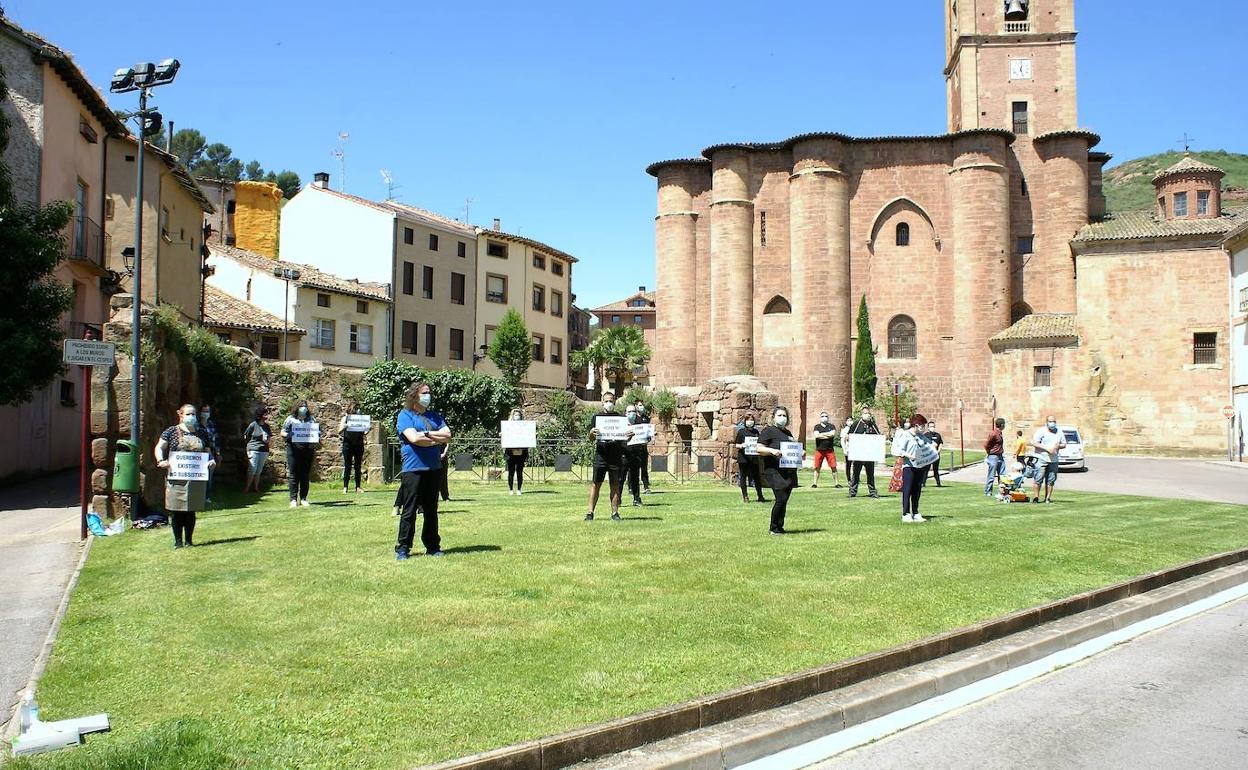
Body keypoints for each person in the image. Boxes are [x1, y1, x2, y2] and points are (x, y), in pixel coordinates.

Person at [395, 381, 452, 559]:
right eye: (424, 392)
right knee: (409, 510)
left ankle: (433, 546)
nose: (428, 396)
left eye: (429, 392)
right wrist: (435, 438)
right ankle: (403, 547)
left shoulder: (435, 416)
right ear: (414, 396)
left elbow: (448, 436)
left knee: (431, 510)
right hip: (413, 469)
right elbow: (413, 438)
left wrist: (426, 435)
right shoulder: (405, 415)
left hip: (434, 468)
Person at [154, 404, 216, 548]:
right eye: (188, 414)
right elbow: (159, 446)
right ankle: (178, 542)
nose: (191, 417)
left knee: (190, 510)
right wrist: (161, 460)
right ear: (180, 415)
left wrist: (211, 460)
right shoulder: (171, 432)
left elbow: (207, 451)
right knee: (177, 511)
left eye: (193, 414)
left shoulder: (202, 432)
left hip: (195, 477)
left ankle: (189, 540)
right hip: (176, 477)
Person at [755, 406, 803, 534]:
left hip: (788, 470)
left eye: (784, 416)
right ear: (773, 417)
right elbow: (759, 449)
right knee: (781, 498)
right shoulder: (768, 431)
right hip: (773, 470)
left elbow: (792, 448)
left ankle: (780, 526)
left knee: (784, 500)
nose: (782, 418)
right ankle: (774, 528)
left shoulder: (788, 433)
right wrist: (772, 451)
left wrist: (800, 453)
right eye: (779, 415)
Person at [891, 413, 939, 523]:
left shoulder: (921, 436)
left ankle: (916, 512)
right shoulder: (905, 435)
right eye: (922, 426)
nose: (924, 428)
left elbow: (928, 446)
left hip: (920, 466)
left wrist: (933, 447)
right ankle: (906, 513)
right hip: (909, 466)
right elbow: (898, 450)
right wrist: (909, 455)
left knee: (917, 490)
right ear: (916, 425)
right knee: (908, 490)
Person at [586, 391, 626, 521]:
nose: (609, 403)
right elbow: (591, 439)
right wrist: (591, 433)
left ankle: (615, 513)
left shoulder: (620, 418)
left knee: (614, 485)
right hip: (601, 456)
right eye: (606, 401)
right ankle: (590, 513)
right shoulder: (596, 417)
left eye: (611, 401)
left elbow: (624, 438)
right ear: (602, 402)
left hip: (615, 456)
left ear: (614, 402)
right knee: (595, 484)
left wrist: (628, 436)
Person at [281, 400, 318, 508]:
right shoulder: (290, 419)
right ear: (297, 408)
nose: (304, 408)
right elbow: (282, 432)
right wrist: (289, 434)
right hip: (293, 449)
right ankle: (293, 499)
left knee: (305, 474)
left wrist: (317, 434)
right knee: (293, 474)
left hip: (307, 449)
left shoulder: (311, 419)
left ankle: (303, 498)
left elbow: (315, 431)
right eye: (301, 406)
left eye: (305, 406)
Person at [845, 408, 881, 499]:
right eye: (865, 413)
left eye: (868, 413)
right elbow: (848, 436)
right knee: (856, 474)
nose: (867, 415)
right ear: (861, 415)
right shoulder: (856, 424)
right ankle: (852, 492)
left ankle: (873, 492)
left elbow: (878, 437)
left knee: (870, 474)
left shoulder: (872, 425)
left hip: (869, 454)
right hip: (858, 454)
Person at [1030, 415, 1067, 504]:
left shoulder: (1059, 432)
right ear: (1047, 422)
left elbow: (1064, 444)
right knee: (1038, 479)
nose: (1052, 423)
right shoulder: (1041, 431)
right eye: (1050, 421)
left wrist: (1059, 446)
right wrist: (1046, 448)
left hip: (1053, 460)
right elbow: (1034, 443)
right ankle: (1036, 497)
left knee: (1051, 480)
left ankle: (1047, 498)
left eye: (1054, 421)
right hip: (1041, 458)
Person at [734, 411, 767, 503]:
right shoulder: (741, 432)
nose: (750, 421)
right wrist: (742, 446)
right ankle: (745, 496)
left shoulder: (756, 432)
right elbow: (736, 444)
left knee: (757, 477)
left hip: (754, 458)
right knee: (743, 477)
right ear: (744, 421)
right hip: (743, 458)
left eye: (752, 420)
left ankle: (760, 496)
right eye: (748, 420)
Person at [339, 402, 367, 494]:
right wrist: (345, 426)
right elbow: (339, 431)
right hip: (348, 444)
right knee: (347, 465)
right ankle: (345, 487)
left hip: (358, 444)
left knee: (358, 466)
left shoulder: (361, 420)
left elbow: (365, 433)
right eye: (356, 409)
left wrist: (367, 429)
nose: (358, 411)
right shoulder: (345, 418)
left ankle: (358, 487)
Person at [242, 406, 271, 493]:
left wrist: (267, 440)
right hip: (253, 449)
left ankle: (256, 488)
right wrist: (249, 445)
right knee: (252, 469)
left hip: (264, 450)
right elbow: (246, 436)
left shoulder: (266, 426)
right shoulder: (253, 425)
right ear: (260, 415)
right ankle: (247, 488)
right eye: (265, 414)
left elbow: (269, 437)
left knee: (258, 470)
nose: (266, 416)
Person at [624, 403, 648, 507]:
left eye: (633, 411)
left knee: (635, 478)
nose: (632, 414)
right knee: (620, 479)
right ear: (625, 413)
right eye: (629, 412)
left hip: (635, 455)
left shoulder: (640, 424)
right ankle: (618, 499)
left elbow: (645, 437)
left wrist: (647, 439)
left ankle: (636, 499)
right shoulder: (621, 424)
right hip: (623, 454)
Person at [810, 411, 841, 489]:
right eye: (823, 416)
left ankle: (837, 483)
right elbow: (817, 436)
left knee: (833, 467)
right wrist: (827, 435)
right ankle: (814, 483)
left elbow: (833, 434)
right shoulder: (817, 426)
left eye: (826, 416)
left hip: (829, 450)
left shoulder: (832, 426)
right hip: (819, 450)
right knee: (817, 467)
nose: (825, 418)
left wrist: (822, 435)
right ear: (820, 418)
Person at [199, 404, 221, 505]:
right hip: (199, 452)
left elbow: (216, 439)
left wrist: (218, 453)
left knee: (209, 476)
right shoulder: (196, 425)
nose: (206, 413)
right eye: (204, 411)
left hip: (210, 452)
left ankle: (207, 497)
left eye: (207, 411)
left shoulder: (211, 424)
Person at [505, 408, 529, 495]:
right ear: (512, 416)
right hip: (510, 452)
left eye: (518, 415)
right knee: (510, 472)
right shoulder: (507, 426)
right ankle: (511, 489)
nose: (517, 417)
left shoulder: (524, 426)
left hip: (521, 452)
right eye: (515, 415)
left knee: (519, 471)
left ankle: (519, 489)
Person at [634, 398, 653, 494]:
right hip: (634, 447)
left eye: (642, 405)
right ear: (636, 406)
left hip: (643, 447)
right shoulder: (633, 418)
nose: (642, 407)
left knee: (644, 468)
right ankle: (631, 487)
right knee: (633, 469)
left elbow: (648, 430)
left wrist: (650, 435)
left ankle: (646, 486)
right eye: (640, 405)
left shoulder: (646, 418)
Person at [983, 417, 1006, 496]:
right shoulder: (993, 433)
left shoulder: (1000, 433)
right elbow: (986, 445)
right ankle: (988, 491)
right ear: (1002, 424)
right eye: (1004, 424)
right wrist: (989, 453)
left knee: (1002, 475)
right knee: (991, 475)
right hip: (993, 456)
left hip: (1000, 456)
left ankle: (1002, 491)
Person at [927, 420, 945, 487]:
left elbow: (940, 443)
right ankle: (923, 483)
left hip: (936, 455)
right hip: (928, 455)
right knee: (926, 469)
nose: (932, 428)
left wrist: (938, 451)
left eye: (933, 426)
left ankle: (938, 483)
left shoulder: (938, 435)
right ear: (928, 428)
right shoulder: (926, 435)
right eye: (931, 426)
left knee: (936, 470)